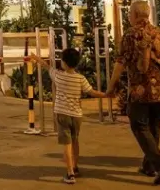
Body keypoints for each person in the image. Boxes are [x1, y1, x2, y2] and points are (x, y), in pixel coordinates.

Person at [106, 0, 160, 186]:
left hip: (140, 90)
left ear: (135, 15)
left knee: (139, 126)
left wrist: (111, 85)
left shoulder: (130, 34)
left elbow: (120, 62)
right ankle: (149, 166)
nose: (128, 17)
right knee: (154, 127)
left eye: (129, 14)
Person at [32, 47, 106, 185]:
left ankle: (70, 173)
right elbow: (92, 92)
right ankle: (75, 167)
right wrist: (106, 95)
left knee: (67, 144)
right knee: (75, 141)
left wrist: (37, 59)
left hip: (62, 114)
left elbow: (47, 67)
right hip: (77, 115)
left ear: (64, 62)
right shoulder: (80, 79)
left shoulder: (59, 76)